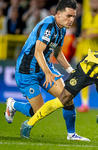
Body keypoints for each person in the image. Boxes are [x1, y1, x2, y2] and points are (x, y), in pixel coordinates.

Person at [4, 0, 90, 141]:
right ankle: (13, 104)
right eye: (69, 16)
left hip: (44, 68)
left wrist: (70, 70)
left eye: (73, 16)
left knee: (67, 98)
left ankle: (71, 135)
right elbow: (38, 52)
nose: (71, 20)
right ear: (58, 14)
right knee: (39, 111)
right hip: (27, 70)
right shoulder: (48, 26)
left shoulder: (61, 28)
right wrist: (48, 73)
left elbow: (57, 53)